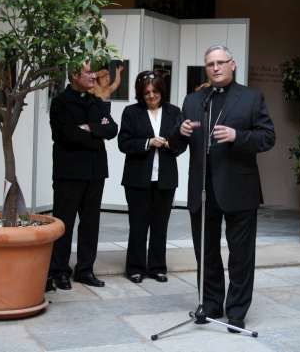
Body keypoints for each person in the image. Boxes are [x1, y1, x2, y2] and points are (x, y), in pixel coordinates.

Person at [175, 45, 275, 332]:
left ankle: (236, 311)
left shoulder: (251, 97)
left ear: (232, 64)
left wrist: (237, 135)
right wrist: (179, 133)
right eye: (210, 64)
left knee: (241, 254)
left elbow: (268, 137)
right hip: (202, 191)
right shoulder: (194, 100)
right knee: (205, 253)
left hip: (239, 188)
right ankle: (210, 303)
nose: (216, 68)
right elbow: (180, 145)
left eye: (221, 62)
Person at [47, 61, 118, 290]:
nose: (94, 75)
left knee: (90, 224)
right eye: (88, 71)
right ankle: (59, 271)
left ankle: (85, 270)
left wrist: (89, 128)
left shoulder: (96, 102)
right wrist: (95, 133)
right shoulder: (60, 103)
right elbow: (65, 135)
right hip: (69, 173)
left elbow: (112, 129)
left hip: (95, 173)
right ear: (75, 75)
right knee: (63, 224)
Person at [118, 71, 183, 283]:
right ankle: (135, 267)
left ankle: (157, 267)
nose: (151, 96)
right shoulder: (131, 112)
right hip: (137, 179)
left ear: (162, 92)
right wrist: (148, 143)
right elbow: (124, 143)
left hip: (165, 179)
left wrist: (169, 144)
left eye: (155, 91)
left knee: (160, 226)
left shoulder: (174, 112)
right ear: (141, 94)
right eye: (146, 93)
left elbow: (181, 143)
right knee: (138, 225)